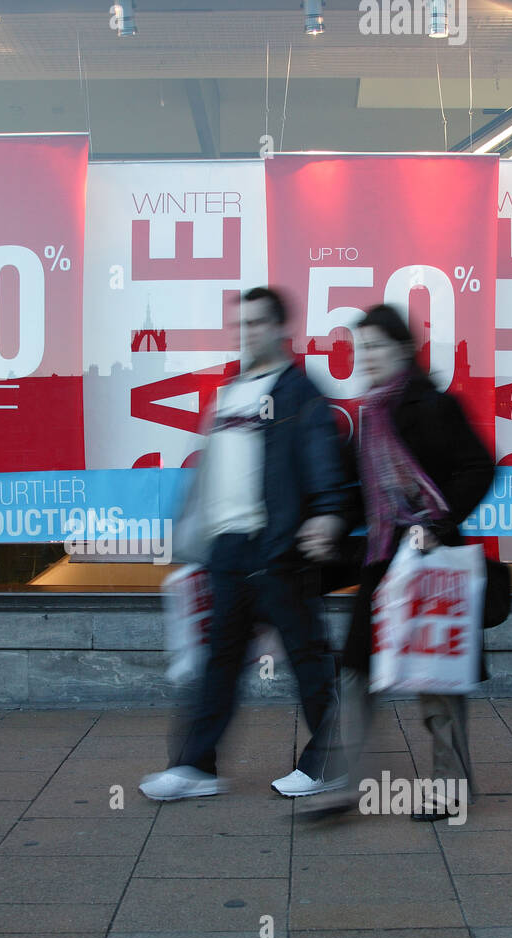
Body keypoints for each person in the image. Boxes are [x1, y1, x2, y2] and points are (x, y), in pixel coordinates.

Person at [141, 286, 359, 803]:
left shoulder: (298, 393)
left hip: (276, 548)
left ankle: (331, 762)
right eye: (242, 323)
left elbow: (322, 460)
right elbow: (211, 471)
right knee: (220, 661)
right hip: (228, 551)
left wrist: (328, 514)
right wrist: (195, 539)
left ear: (282, 330)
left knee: (307, 660)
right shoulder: (230, 393)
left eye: (259, 322)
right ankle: (195, 766)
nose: (248, 332)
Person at [324, 303, 496, 820]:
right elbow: (368, 494)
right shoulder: (370, 412)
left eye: (376, 347)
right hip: (381, 560)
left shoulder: (432, 406)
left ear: (402, 350)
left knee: (434, 677)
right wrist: (331, 522)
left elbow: (478, 468)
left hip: (429, 559)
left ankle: (452, 786)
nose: (366, 357)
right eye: (360, 348)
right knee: (356, 669)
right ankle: (345, 783)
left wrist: (436, 524)